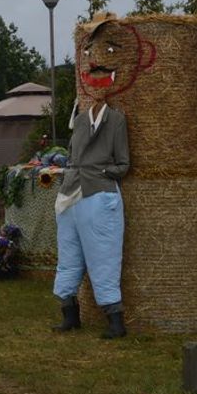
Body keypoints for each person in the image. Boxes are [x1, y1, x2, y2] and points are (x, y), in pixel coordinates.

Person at [51, 17, 133, 339]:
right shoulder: (80, 120)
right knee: (68, 254)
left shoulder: (116, 121)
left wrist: (100, 172)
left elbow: (123, 163)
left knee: (103, 255)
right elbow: (73, 155)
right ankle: (70, 314)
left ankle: (116, 321)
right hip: (71, 194)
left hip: (99, 194)